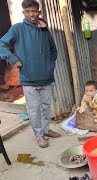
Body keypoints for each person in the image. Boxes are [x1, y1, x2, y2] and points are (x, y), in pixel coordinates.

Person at [0, 0, 60, 148]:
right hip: (29, 78)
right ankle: (39, 135)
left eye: (34, 11)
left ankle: (46, 130)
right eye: (28, 12)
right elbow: (2, 45)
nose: (31, 14)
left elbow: (53, 50)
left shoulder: (45, 30)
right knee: (34, 109)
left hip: (46, 76)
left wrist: (49, 64)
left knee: (46, 106)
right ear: (23, 13)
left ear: (39, 12)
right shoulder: (17, 29)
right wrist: (14, 60)